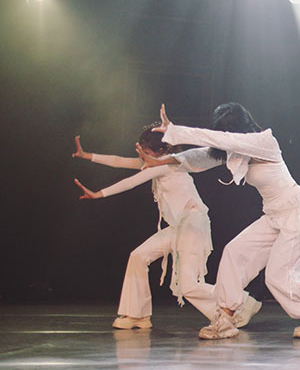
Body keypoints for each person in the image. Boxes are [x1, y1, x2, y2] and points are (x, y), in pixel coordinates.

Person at [146, 103, 300, 340]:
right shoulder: (237, 150)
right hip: (274, 216)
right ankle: (225, 318)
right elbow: (203, 156)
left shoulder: (264, 141)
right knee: (234, 253)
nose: (225, 137)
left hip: (298, 213)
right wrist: (164, 161)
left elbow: (220, 139)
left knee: (278, 277)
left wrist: (175, 130)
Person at [72, 130, 259, 330]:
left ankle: (242, 303)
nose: (141, 157)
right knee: (138, 257)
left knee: (189, 286)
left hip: (193, 225)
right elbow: (119, 161)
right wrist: (87, 156)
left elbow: (131, 182)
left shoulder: (166, 164)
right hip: (179, 227)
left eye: (145, 152)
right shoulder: (155, 163)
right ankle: (137, 315)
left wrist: (99, 194)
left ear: (160, 151)